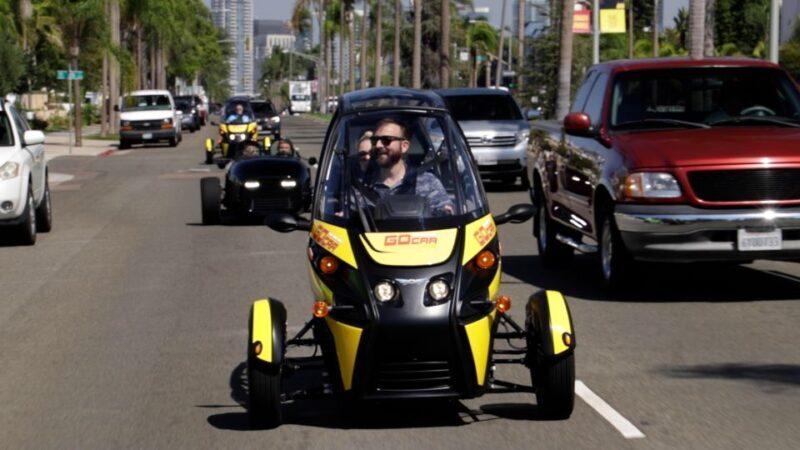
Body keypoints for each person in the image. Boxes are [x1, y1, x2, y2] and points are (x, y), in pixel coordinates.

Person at [365, 118, 454, 215]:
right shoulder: (362, 187)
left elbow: (446, 219)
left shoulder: (428, 182)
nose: (378, 145)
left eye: (386, 140)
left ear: (404, 146)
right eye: (374, 140)